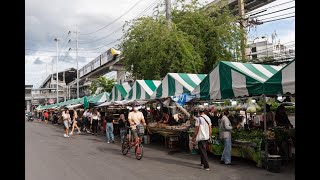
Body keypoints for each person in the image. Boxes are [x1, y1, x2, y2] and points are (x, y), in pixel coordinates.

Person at [191, 105, 212, 171]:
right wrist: (210, 136)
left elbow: (196, 130)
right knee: (202, 151)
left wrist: (193, 137)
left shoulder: (199, 119)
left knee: (203, 152)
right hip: (206, 137)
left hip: (202, 137)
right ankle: (202, 163)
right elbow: (210, 128)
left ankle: (206, 166)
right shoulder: (208, 118)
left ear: (199, 111)